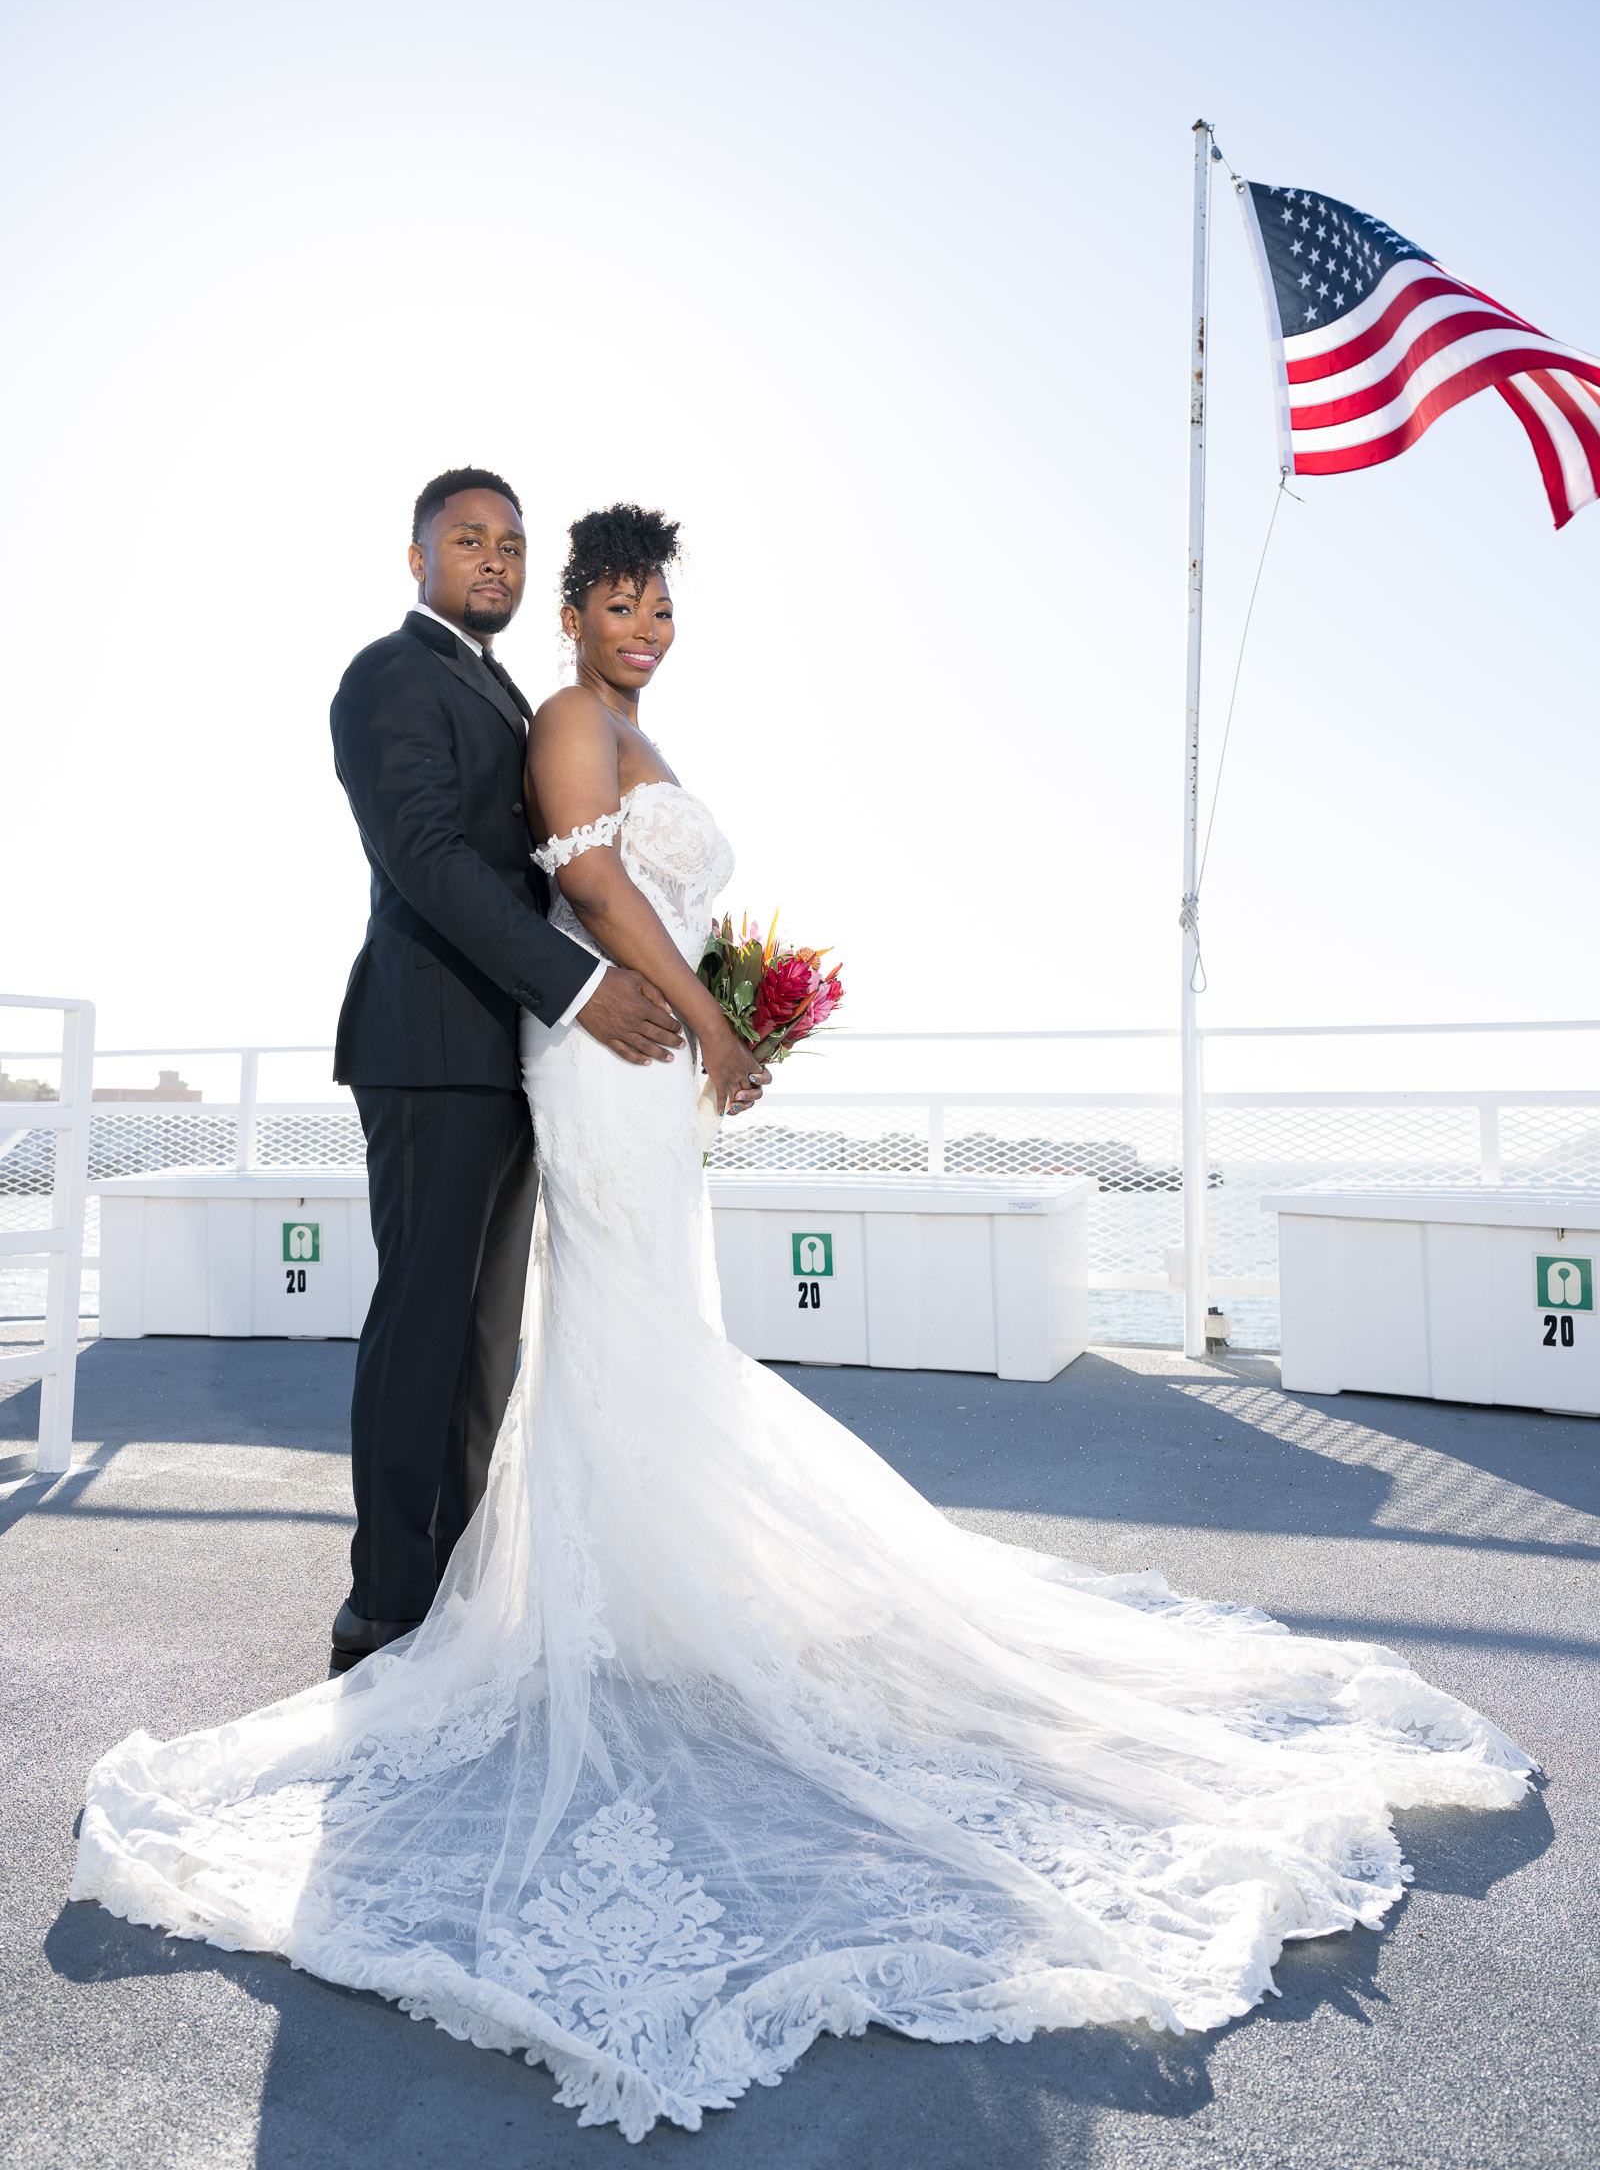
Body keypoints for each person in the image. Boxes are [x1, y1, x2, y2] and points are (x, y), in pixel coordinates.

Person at [72, 504, 1533, 2142]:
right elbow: (589, 887)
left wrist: (727, 1002)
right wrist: (703, 1019)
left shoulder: (605, 716)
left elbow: (636, 884)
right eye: (616, 600)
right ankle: (429, 1615)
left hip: (632, 1052)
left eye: (660, 603)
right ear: (560, 606)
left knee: (605, 1342)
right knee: (558, 1338)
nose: (644, 624)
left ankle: (619, 1599)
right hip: (601, 1045)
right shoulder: (550, 716)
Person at [323, 469, 756, 1675]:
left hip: (515, 1054)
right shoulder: (389, 676)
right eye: (469, 541)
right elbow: (427, 860)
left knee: (484, 1342)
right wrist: (577, 987)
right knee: (421, 1329)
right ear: (416, 556)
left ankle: (461, 1580)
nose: (495, 561)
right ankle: (385, 1606)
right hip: (429, 1045)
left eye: (511, 543)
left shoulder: (506, 694)